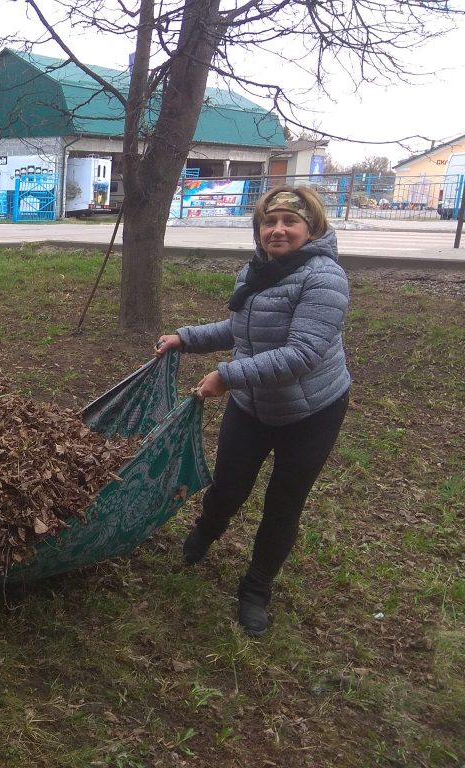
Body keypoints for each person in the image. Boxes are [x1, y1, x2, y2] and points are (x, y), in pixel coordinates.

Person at [154, 185, 350, 637]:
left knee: (283, 504)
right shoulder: (257, 270)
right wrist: (187, 337)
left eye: (290, 222)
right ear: (259, 228)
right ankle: (208, 529)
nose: (278, 230)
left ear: (311, 227)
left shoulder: (325, 277)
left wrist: (226, 376)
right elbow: (242, 329)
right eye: (269, 221)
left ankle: (256, 589)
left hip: (311, 413)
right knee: (228, 485)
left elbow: (301, 354)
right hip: (252, 407)